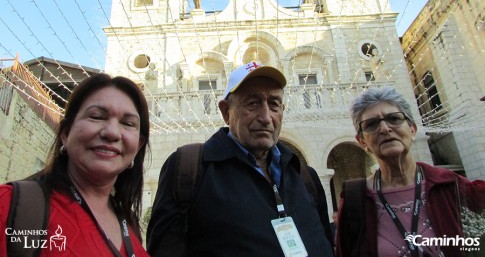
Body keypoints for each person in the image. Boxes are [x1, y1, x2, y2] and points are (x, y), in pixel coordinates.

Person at [147, 62, 334, 257]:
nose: (266, 117)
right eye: (252, 103)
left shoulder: (304, 176)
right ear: (226, 112)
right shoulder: (190, 170)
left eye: (274, 104)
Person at [0, 73, 151, 256]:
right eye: (96, 117)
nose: (112, 133)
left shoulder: (130, 226)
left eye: (128, 123)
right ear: (66, 133)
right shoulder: (9, 206)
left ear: (138, 146)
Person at [336, 86, 485, 257]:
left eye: (393, 118)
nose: (384, 128)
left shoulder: (451, 186)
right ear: (362, 141)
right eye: (371, 124)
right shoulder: (355, 200)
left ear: (412, 129)